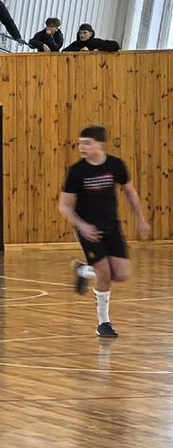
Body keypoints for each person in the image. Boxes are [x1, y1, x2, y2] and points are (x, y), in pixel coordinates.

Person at [59, 125, 150, 338]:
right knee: (105, 274)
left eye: (87, 143)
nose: (82, 147)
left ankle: (84, 270)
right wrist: (82, 226)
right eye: (80, 143)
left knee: (122, 274)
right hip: (89, 231)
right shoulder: (77, 172)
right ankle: (104, 323)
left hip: (112, 227)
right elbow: (64, 206)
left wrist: (140, 219)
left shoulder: (116, 165)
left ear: (100, 144)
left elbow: (130, 193)